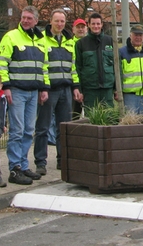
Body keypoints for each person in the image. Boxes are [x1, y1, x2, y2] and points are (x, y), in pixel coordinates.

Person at [0, 5, 49, 185]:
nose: (25, 20)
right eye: (23, 17)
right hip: (17, 91)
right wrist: (6, 87)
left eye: (29, 18)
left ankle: (24, 165)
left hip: (34, 92)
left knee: (28, 131)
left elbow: (44, 68)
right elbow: (1, 64)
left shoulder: (41, 41)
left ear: (36, 20)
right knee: (16, 131)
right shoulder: (10, 37)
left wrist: (44, 88)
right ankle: (15, 168)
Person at [34, 9, 83, 174]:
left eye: (62, 21)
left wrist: (75, 87)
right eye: (57, 21)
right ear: (50, 21)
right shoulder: (42, 40)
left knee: (64, 127)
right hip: (49, 90)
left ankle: (63, 160)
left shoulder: (70, 42)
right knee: (43, 127)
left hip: (66, 90)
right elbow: (41, 67)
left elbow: (74, 68)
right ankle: (40, 162)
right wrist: (43, 88)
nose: (60, 24)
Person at [75, 12, 115, 108]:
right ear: (88, 25)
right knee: (91, 120)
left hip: (107, 89)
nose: (95, 26)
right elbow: (77, 67)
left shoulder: (110, 41)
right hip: (90, 90)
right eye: (93, 24)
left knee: (110, 119)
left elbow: (117, 67)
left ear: (102, 25)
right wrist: (79, 90)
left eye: (98, 24)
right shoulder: (81, 44)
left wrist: (117, 88)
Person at [119, 24, 143, 115]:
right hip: (129, 96)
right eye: (136, 35)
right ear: (130, 35)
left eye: (140, 35)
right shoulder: (122, 52)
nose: (138, 37)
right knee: (130, 125)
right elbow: (118, 74)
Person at [69, 18, 88, 119]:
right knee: (74, 114)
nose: (80, 29)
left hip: (88, 84)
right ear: (73, 30)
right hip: (74, 84)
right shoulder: (69, 44)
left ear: (86, 29)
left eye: (82, 27)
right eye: (78, 27)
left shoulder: (89, 43)